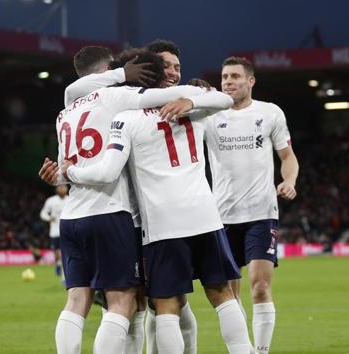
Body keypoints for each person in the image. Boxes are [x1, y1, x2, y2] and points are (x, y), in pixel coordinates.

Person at [56, 56, 254, 353]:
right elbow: (225, 100)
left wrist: (68, 172)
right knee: (223, 294)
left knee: (165, 306)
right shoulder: (195, 106)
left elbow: (108, 171)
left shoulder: (124, 119)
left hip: (161, 223)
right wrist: (190, 100)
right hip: (204, 215)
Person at [63, 39, 198, 354]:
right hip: (124, 217)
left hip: (157, 217)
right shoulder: (122, 101)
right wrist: (122, 74)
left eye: (177, 68)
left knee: (169, 302)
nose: (172, 74)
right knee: (132, 304)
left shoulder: (173, 110)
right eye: (165, 68)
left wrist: (196, 94)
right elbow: (76, 91)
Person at [204, 56, 299, 354]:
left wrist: (290, 181)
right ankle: (242, 349)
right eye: (224, 77)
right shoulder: (209, 117)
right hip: (221, 216)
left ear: (250, 81)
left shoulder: (270, 113)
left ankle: (261, 350)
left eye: (234, 76)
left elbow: (287, 157)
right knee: (231, 296)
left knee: (259, 286)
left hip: (262, 213)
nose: (228, 82)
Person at [39, 184, 68, 278]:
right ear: (56, 189)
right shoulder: (51, 201)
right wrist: (48, 218)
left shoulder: (70, 200)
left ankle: (64, 277)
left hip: (67, 231)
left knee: (65, 254)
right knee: (57, 254)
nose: (62, 188)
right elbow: (43, 213)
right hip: (54, 231)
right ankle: (58, 264)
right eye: (60, 187)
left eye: (63, 187)